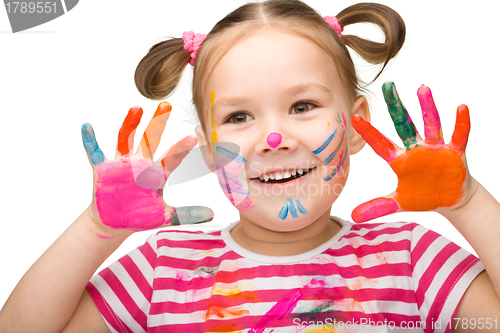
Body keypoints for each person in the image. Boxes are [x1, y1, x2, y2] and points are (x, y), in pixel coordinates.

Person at [1, 0, 499, 332]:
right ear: (207, 147)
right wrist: (97, 229)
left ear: (354, 128)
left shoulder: (408, 259)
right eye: (239, 116)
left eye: (302, 106)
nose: (273, 139)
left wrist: (468, 204)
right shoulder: (164, 268)